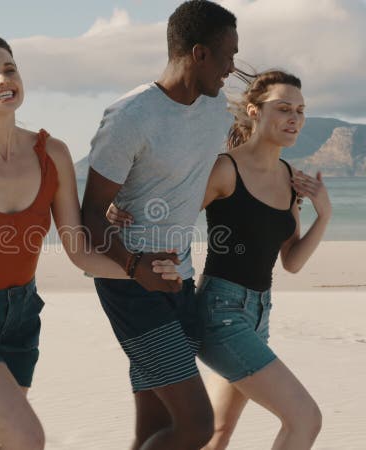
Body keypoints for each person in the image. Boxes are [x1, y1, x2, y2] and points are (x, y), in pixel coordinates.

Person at [0, 36, 180, 450]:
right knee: (26, 437)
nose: (3, 79)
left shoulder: (54, 155)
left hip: (22, 317)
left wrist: (137, 269)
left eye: (10, 68)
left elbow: (79, 250)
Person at [108, 70, 330, 449]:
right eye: (283, 108)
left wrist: (323, 214)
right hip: (220, 313)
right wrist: (119, 207)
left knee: (219, 432)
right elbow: (170, 211)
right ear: (254, 112)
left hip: (259, 314)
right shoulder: (225, 169)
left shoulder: (290, 178)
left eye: (300, 110)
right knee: (305, 418)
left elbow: (291, 261)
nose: (294, 118)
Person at [80, 1, 239, 449]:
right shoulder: (130, 116)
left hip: (180, 278)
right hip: (131, 284)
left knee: (154, 426)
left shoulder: (216, 106)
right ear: (199, 53)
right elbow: (91, 212)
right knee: (196, 425)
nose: (232, 66)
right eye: (227, 54)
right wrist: (135, 267)